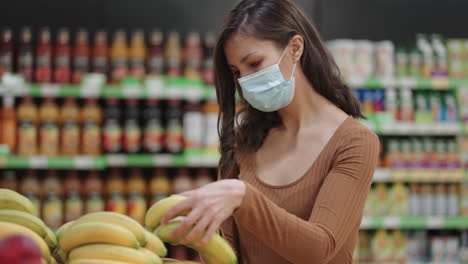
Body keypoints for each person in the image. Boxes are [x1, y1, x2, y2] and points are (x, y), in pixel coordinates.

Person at [161, 0, 380, 263]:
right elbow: (226, 253)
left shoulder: (354, 142)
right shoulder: (246, 139)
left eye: (254, 63)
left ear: (295, 48)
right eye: (236, 72)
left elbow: (319, 249)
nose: (245, 81)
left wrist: (244, 198)